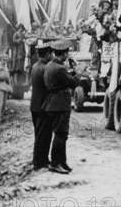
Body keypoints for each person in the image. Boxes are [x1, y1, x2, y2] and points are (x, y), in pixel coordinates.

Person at [43, 40, 78, 174]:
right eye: (66, 53)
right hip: (60, 104)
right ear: (62, 54)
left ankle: (62, 161)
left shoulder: (50, 65)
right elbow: (73, 83)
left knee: (61, 134)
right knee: (61, 134)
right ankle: (56, 163)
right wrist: (76, 72)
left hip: (53, 102)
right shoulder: (59, 68)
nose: (67, 55)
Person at [30, 42, 54, 170]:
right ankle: (40, 161)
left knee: (39, 134)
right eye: (51, 53)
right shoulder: (45, 68)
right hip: (43, 106)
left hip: (36, 105)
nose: (52, 55)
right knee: (43, 135)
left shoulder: (35, 66)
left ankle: (39, 159)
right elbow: (50, 86)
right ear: (47, 54)